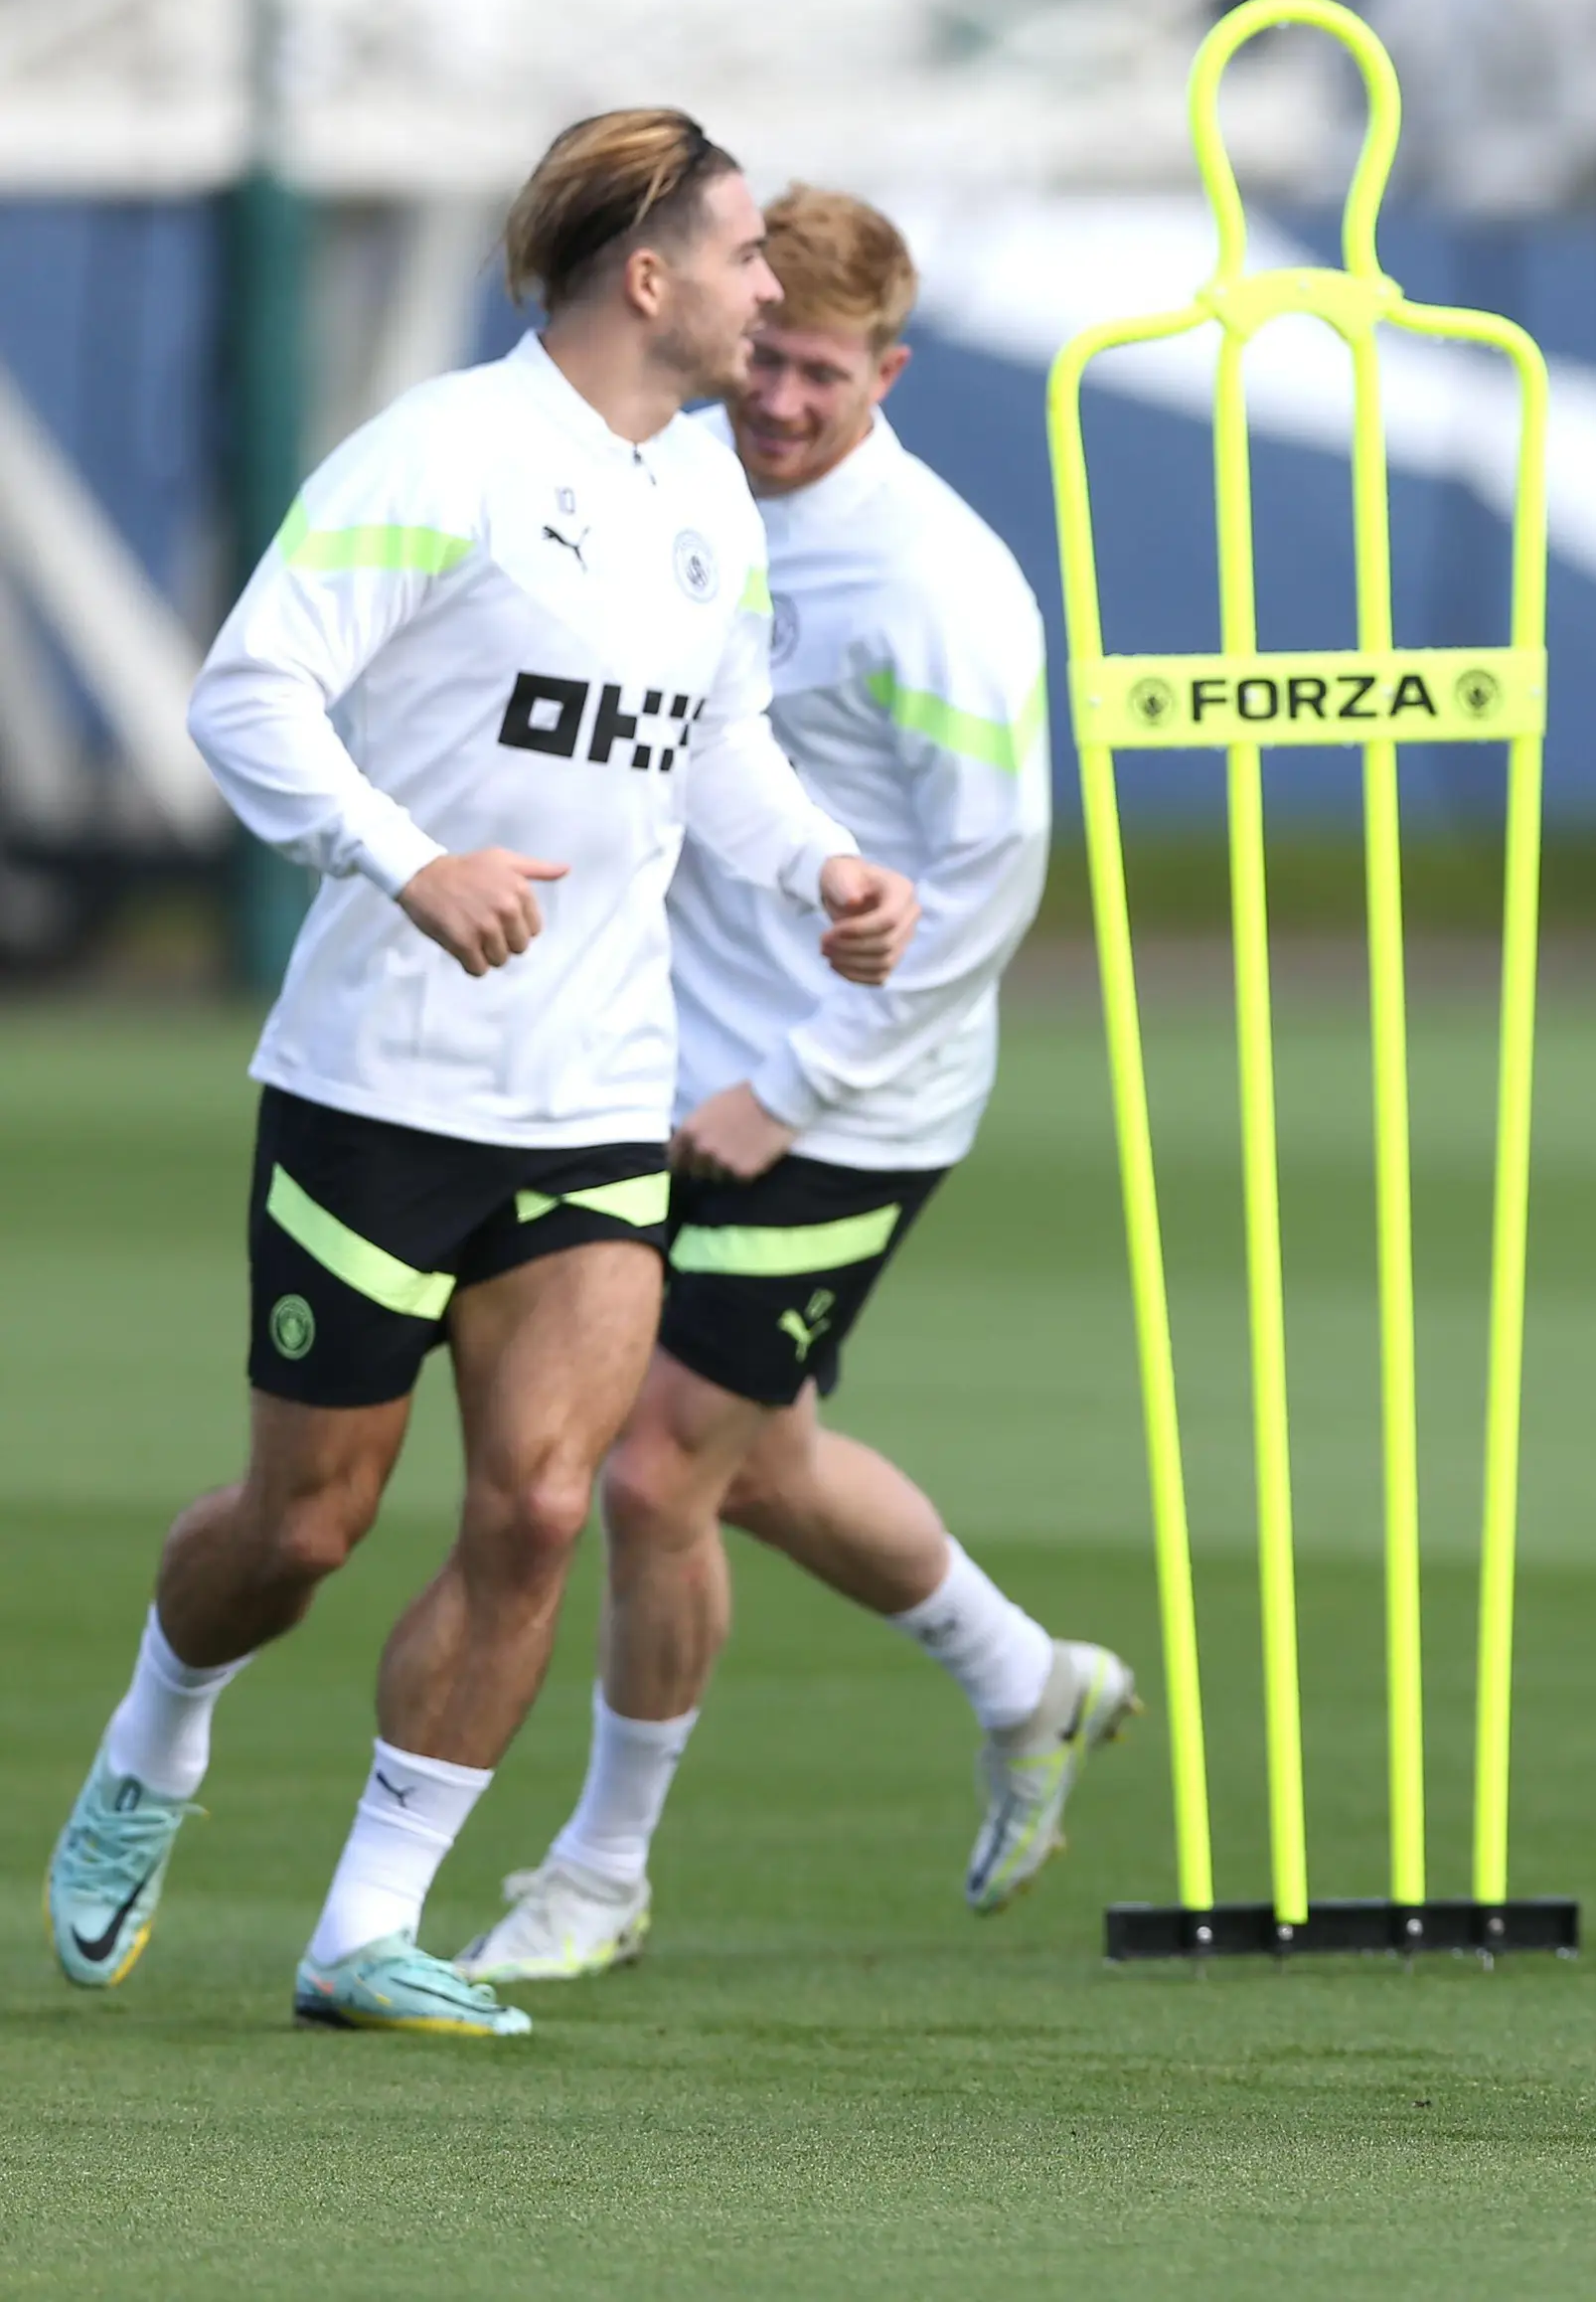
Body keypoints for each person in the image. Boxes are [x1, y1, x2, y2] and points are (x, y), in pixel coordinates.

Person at [45, 112, 919, 2037]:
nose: (772, 294)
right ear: (649, 275)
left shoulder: (703, 494)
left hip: (598, 1094)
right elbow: (245, 689)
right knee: (303, 1527)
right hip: (376, 1087)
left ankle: (367, 1922)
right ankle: (153, 1736)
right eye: (746, 254)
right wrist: (406, 859)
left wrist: (820, 867)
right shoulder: (440, 454)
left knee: (538, 1501)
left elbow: (723, 743)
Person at [458, 188, 1126, 1989]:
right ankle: (1029, 1682)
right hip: (655, 1066)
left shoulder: (936, 583)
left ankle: (598, 1872)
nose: (774, 401)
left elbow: (991, 886)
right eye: (759, 360)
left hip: (849, 1099)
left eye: (819, 375)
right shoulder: (675, 488)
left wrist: (799, 1083)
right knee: (760, 1466)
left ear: (888, 371)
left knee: (657, 1472)